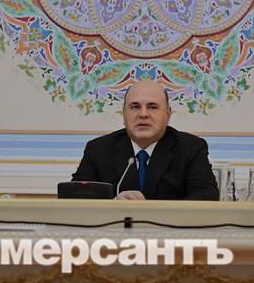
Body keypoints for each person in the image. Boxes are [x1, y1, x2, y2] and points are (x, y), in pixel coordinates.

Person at [72, 79, 218, 200]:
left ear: (168, 114)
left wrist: (151, 212)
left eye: (152, 107)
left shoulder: (191, 149)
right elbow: (74, 198)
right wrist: (114, 205)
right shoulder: (98, 150)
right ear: (124, 114)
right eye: (135, 107)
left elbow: (206, 198)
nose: (143, 114)